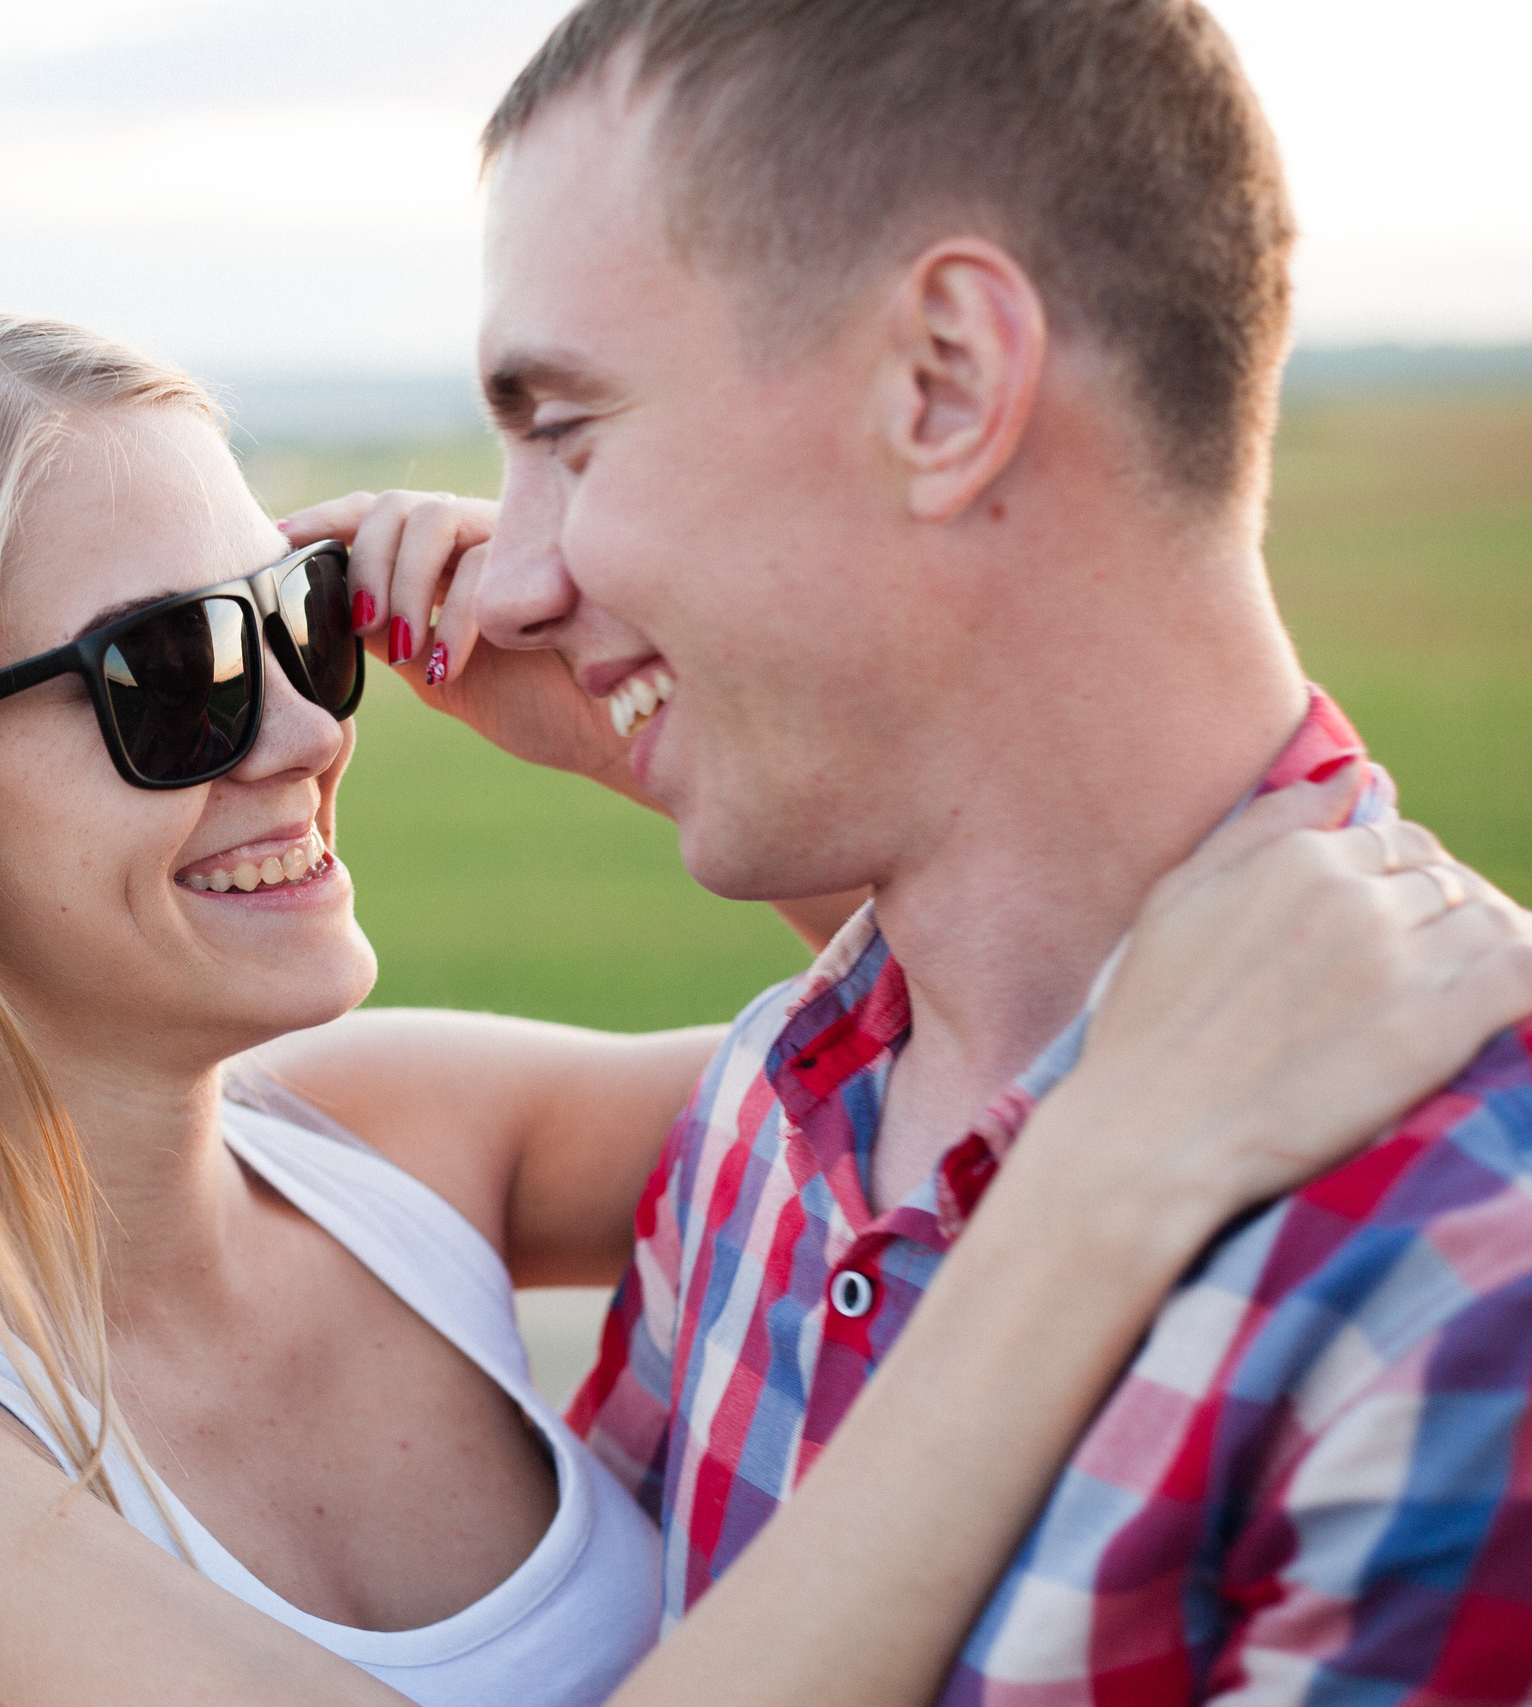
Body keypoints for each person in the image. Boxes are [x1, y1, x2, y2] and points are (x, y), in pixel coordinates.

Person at [0, 314, 1531, 1707]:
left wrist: (659, 731)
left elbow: (954, 1065)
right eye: (166, 675)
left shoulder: (378, 1138)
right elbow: (1081, 1117)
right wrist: (1105, 1188)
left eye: (301, 622)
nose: (296, 730)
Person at [276, 1, 1532, 1700]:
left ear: (944, 383)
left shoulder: (1467, 1279)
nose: (502, 581)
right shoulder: (773, 1114)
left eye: (569, 431)